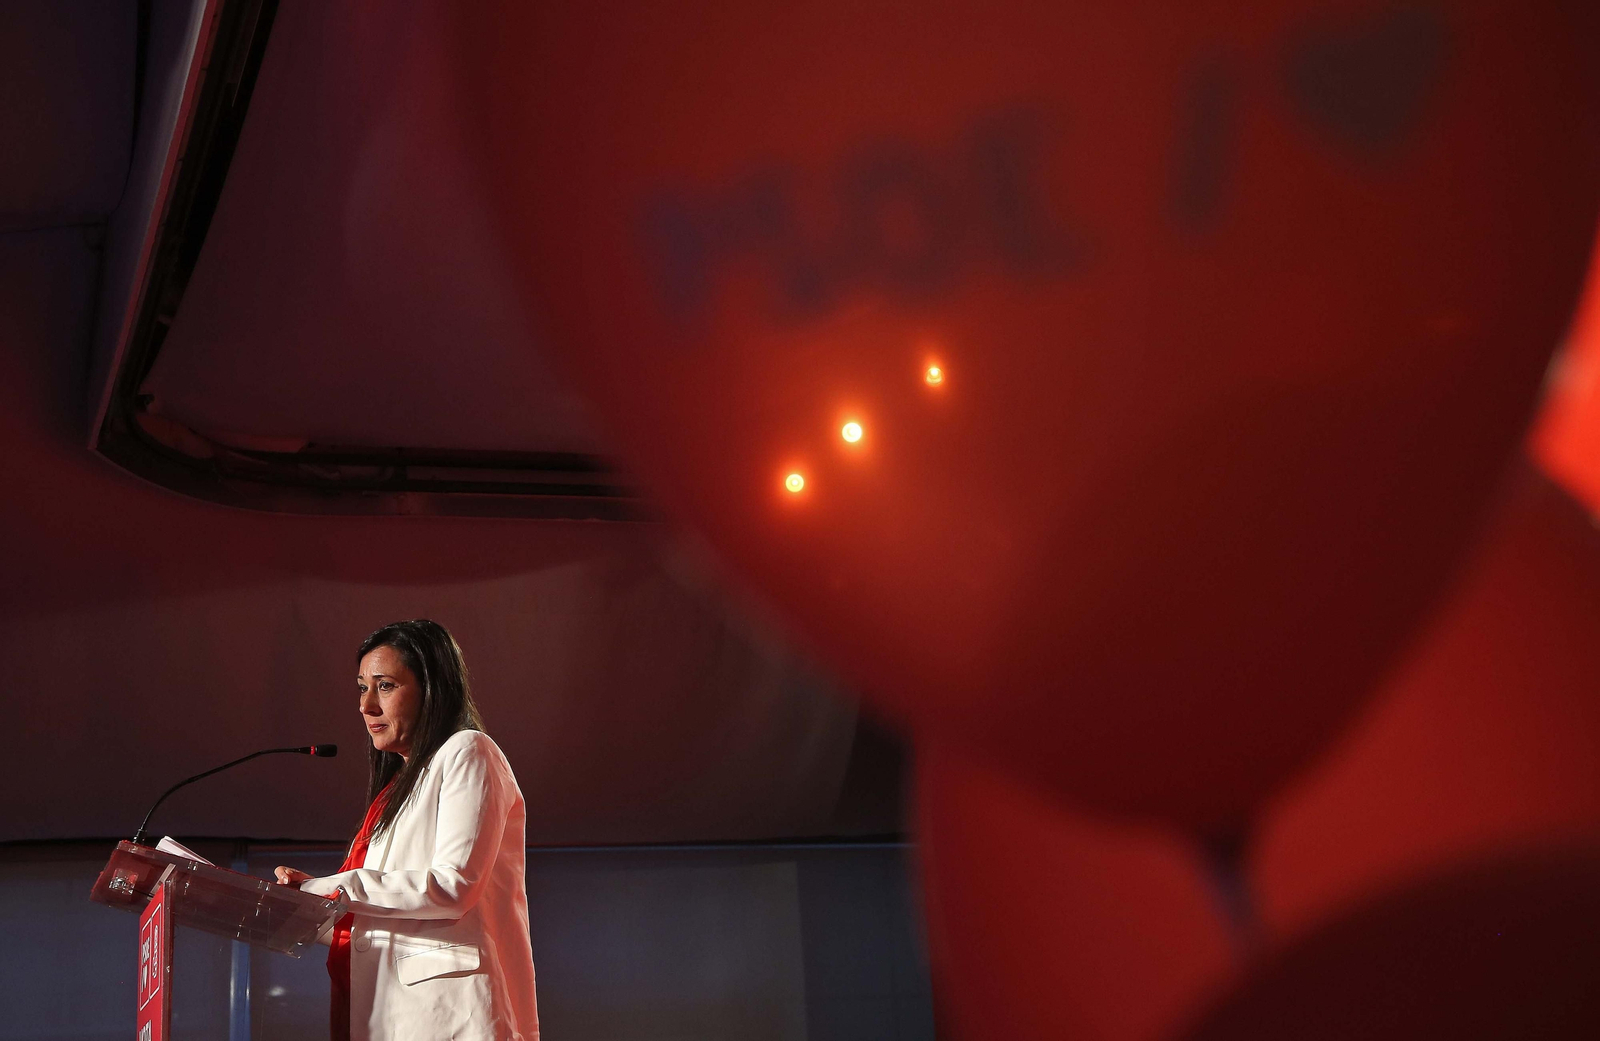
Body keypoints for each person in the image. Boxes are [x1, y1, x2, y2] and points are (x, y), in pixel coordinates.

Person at [274, 620, 539, 1041]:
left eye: (385, 686)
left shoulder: (468, 751)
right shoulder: (397, 787)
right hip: (390, 1016)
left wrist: (336, 887)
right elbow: (382, 919)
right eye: (362, 687)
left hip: (451, 1018)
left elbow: (454, 887)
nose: (366, 706)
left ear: (431, 689)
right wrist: (302, 903)